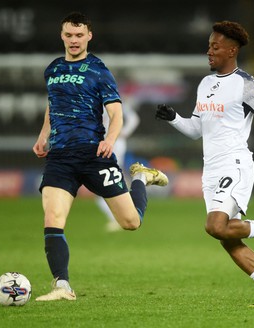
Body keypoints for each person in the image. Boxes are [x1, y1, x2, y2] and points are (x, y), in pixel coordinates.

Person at [155, 21, 254, 307]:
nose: (209, 51)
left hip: (234, 165)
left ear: (232, 50)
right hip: (210, 170)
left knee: (215, 226)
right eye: (209, 45)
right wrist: (174, 118)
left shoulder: (246, 84)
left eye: (215, 46)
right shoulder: (205, 84)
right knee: (226, 236)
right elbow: (196, 129)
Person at [32, 11, 168, 301]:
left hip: (94, 155)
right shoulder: (53, 69)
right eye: (69, 35)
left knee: (131, 222)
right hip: (60, 157)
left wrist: (110, 139)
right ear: (62, 35)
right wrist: (44, 134)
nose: (74, 40)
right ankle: (62, 286)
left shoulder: (98, 69)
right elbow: (52, 104)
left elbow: (116, 113)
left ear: (89, 36)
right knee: (52, 217)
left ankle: (142, 177)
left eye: (79, 35)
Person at [96, 98, 141, 232]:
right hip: (103, 143)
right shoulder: (97, 101)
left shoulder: (113, 101)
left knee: (107, 181)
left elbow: (134, 118)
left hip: (114, 142)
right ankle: (124, 213)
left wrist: (124, 133)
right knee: (107, 180)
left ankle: (120, 216)